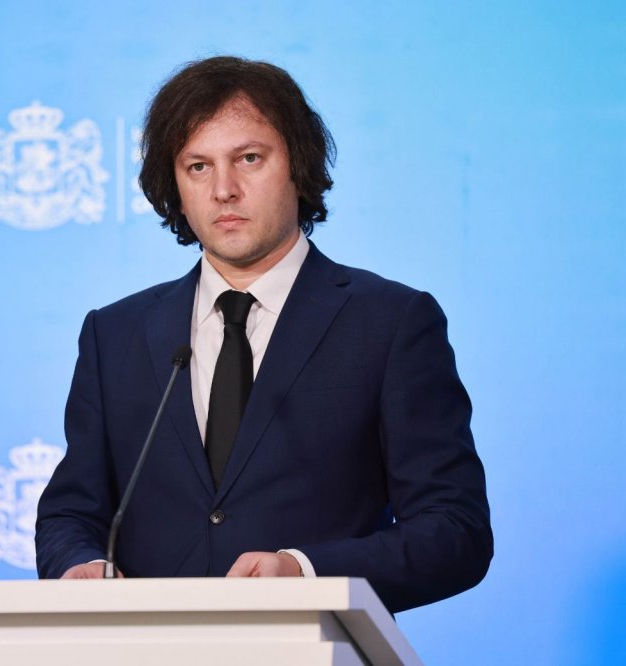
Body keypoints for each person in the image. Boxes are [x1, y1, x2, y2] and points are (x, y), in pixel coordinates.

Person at [35, 55, 492, 613]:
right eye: (198, 166)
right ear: (174, 185)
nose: (224, 189)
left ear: (298, 163)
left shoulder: (391, 322)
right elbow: (71, 512)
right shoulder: (115, 334)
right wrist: (79, 563)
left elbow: (455, 530)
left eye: (248, 158)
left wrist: (305, 571)